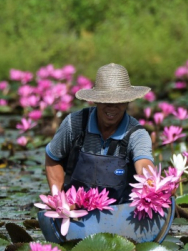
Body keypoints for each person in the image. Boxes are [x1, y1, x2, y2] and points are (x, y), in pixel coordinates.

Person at [45, 63, 155, 203]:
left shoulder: (137, 134)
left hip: (120, 213)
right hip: (75, 209)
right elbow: (52, 156)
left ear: (128, 101)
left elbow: (144, 163)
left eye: (119, 102)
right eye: (106, 101)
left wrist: (152, 182)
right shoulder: (74, 124)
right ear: (96, 100)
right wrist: (59, 201)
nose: (112, 107)